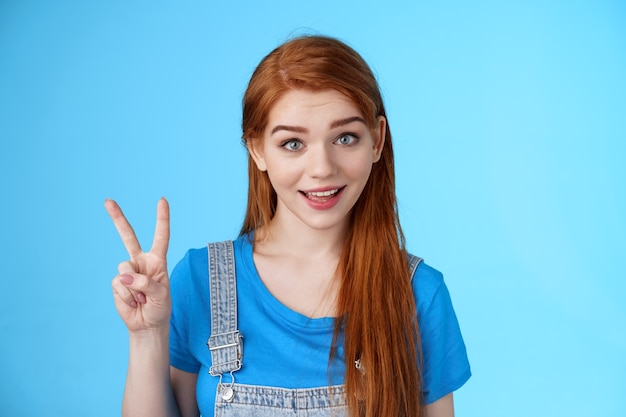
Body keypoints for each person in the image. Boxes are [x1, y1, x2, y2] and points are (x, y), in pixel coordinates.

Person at [105, 35, 471, 417]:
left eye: (345, 137)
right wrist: (147, 336)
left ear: (377, 140)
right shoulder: (200, 281)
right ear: (257, 149)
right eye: (293, 143)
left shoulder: (418, 294)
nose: (322, 168)